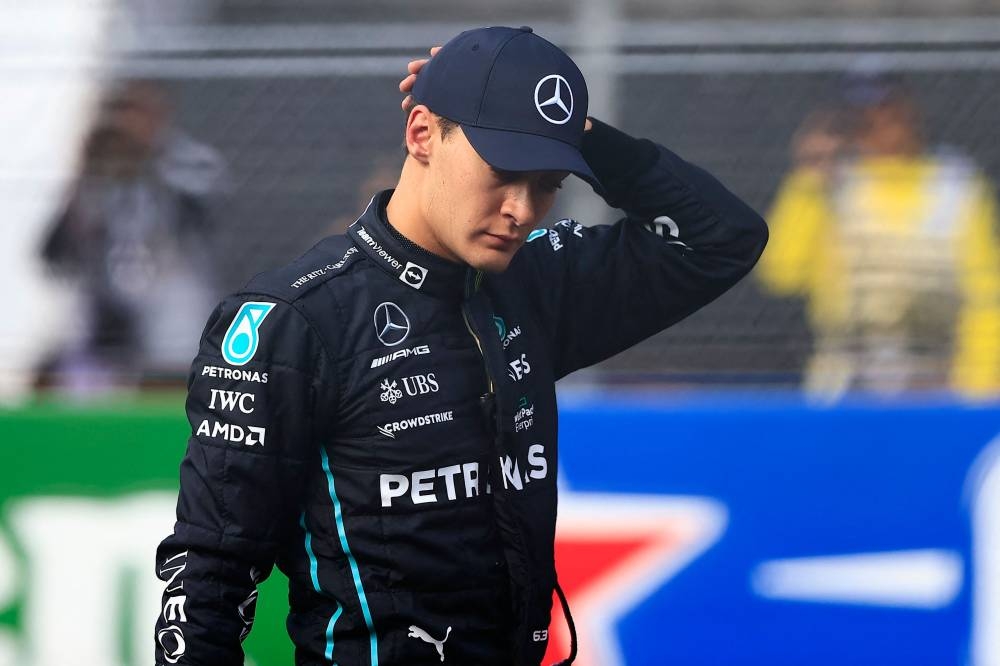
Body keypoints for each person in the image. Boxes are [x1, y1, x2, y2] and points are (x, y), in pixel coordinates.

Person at [153, 26, 767, 666]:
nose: (523, 209)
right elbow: (208, 574)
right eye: (504, 172)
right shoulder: (296, 318)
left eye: (548, 181)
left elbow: (723, 238)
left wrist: (573, 129)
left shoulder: (534, 284)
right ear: (422, 134)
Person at [759, 71, 1000, 399]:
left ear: (910, 112)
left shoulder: (954, 185)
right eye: (863, 117)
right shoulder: (829, 183)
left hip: (934, 373)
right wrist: (809, 181)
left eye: (889, 110)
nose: (880, 123)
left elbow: (985, 293)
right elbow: (782, 275)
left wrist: (978, 384)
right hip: (847, 376)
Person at [39, 80, 226, 393]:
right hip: (106, 296)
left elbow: (205, 214)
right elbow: (53, 252)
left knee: (178, 330)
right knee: (74, 355)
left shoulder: (188, 160)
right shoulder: (97, 170)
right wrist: (88, 177)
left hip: (170, 289)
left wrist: (150, 160)